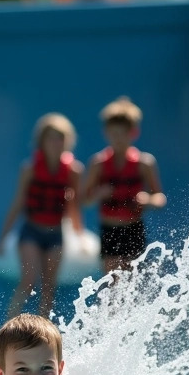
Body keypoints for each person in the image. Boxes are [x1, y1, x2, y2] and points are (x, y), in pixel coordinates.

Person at [0, 113, 84, 319]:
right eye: (50, 138)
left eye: (60, 138)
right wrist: (2, 238)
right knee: (29, 280)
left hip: (56, 234)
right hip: (32, 232)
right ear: (41, 141)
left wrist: (79, 236)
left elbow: (73, 206)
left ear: (67, 141)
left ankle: (44, 333)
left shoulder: (74, 171)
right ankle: (8, 326)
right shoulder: (30, 169)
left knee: (49, 287)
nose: (55, 143)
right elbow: (18, 204)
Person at [81, 96, 167, 276]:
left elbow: (160, 198)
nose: (118, 139)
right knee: (111, 282)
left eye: (122, 134)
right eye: (114, 134)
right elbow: (84, 201)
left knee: (132, 281)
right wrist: (98, 194)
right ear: (106, 133)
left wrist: (148, 200)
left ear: (133, 133)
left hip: (133, 229)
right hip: (109, 230)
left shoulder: (145, 163)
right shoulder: (97, 164)